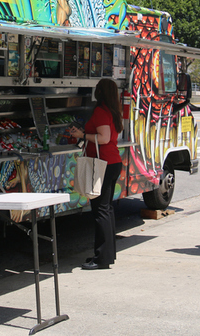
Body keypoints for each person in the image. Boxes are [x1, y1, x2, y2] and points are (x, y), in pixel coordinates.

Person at [69, 78, 124, 270]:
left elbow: (104, 138)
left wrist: (82, 135)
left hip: (103, 164)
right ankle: (107, 255)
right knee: (106, 209)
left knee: (100, 210)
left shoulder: (101, 111)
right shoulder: (113, 111)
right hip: (113, 162)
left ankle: (101, 258)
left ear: (100, 92)